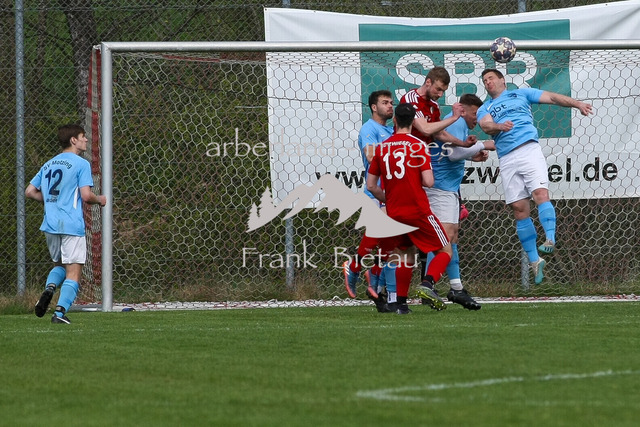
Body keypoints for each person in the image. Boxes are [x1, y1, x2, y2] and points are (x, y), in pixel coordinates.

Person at [477, 69, 593, 284]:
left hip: (528, 149)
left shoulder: (521, 94)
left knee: (540, 194)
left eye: (491, 78)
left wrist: (577, 104)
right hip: (506, 158)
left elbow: (552, 97)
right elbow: (485, 125)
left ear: (502, 80)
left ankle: (550, 238)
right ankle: (535, 261)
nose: (488, 82)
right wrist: (499, 126)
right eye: (484, 80)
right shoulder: (486, 107)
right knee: (519, 209)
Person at [366, 103, 453, 314]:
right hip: (417, 210)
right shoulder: (418, 145)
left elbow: (371, 185)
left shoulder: (382, 147)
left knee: (405, 254)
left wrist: (389, 199)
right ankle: (428, 283)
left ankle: (401, 304)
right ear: (414, 122)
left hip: (394, 212)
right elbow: (429, 181)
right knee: (445, 250)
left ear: (394, 120)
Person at [26, 124, 107, 324]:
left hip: (50, 223)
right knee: (74, 271)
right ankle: (59, 314)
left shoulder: (48, 164)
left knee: (60, 265)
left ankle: (49, 288)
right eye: (83, 136)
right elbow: (86, 196)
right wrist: (100, 199)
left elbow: (30, 191)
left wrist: (50, 201)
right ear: (73, 140)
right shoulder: (81, 164)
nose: (86, 140)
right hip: (71, 223)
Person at [424, 93, 496, 310]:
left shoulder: (458, 125)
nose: (477, 119)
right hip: (440, 188)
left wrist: (472, 155)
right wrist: (484, 144)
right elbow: (453, 155)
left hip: (448, 189)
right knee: (442, 239)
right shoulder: (456, 123)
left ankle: (455, 288)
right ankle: (428, 285)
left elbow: (450, 152)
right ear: (463, 110)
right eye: (475, 114)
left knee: (450, 238)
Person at [343, 90, 394, 312]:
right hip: (375, 193)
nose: (390, 106)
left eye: (391, 102)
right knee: (378, 237)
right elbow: (372, 156)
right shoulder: (369, 129)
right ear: (374, 107)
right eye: (385, 102)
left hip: (391, 193)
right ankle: (354, 268)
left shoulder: (392, 130)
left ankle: (374, 277)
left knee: (389, 244)